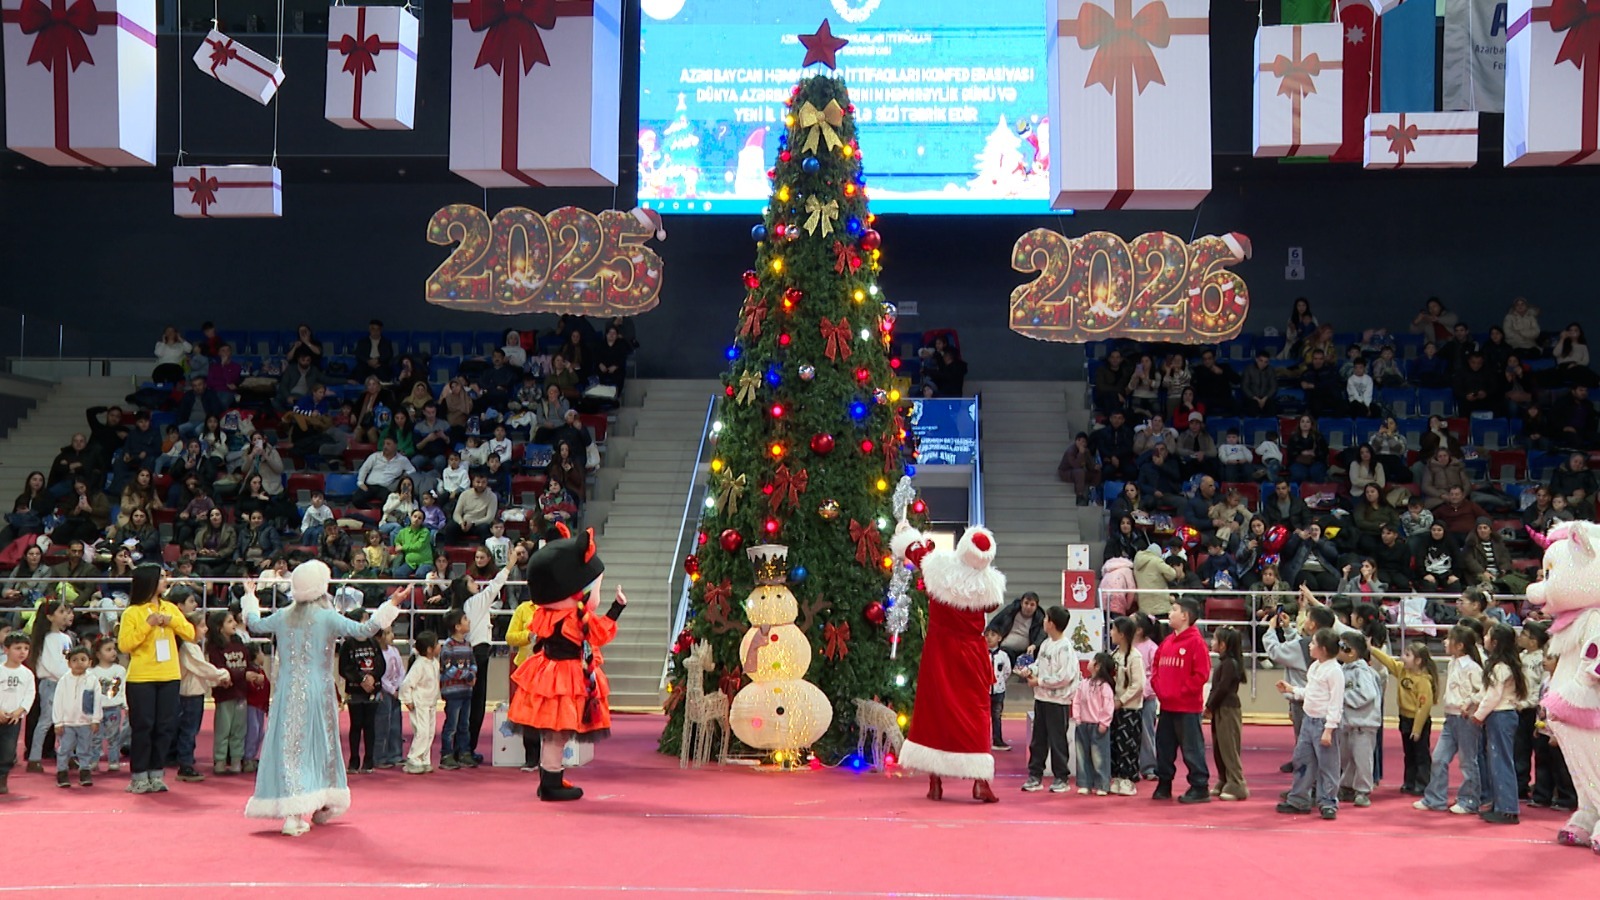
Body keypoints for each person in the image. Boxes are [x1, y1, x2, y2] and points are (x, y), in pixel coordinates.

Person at [240, 560, 402, 835]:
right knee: (319, 744)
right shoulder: (327, 617)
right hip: (318, 691)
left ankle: (304, 808)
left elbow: (254, 623)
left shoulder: (283, 615)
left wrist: (250, 596)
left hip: (287, 691)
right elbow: (365, 630)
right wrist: (391, 604)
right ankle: (310, 807)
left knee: (290, 746)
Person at [506, 528, 628, 801]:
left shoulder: (545, 614)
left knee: (552, 733)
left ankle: (551, 778)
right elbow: (601, 632)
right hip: (564, 676)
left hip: (546, 672)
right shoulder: (572, 617)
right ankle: (551, 782)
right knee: (557, 733)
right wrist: (617, 609)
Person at [888, 524, 1005, 803]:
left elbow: (913, 551)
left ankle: (935, 783)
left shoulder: (938, 568)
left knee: (935, 710)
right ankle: (980, 782)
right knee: (977, 713)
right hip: (973, 653)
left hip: (940, 651)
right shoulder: (989, 585)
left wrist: (909, 533)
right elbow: (991, 606)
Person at [1276, 628, 1345, 819]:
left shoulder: (1335, 671)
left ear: (1322, 649)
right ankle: (1299, 799)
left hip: (1324, 723)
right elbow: (1312, 692)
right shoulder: (1315, 666)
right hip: (1309, 720)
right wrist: (1293, 690)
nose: (1310, 646)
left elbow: (1335, 702)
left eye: (1313, 643)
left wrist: (1329, 729)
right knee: (1302, 760)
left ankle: (1328, 802)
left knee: (1328, 765)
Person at [1416, 625, 1486, 814]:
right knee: (1439, 757)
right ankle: (1435, 798)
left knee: (1468, 761)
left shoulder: (1473, 667)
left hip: (1465, 719)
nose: (1445, 642)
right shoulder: (1452, 663)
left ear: (1460, 645)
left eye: (1449, 639)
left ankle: (1469, 800)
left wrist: (1468, 702)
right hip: (1450, 718)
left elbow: (1484, 690)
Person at [1151, 597, 1211, 803]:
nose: (1170, 613)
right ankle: (1164, 783)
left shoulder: (1196, 643)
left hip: (1187, 707)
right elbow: (1155, 668)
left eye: (1174, 610)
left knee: (1192, 748)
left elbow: (1201, 675)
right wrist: (1159, 689)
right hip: (1167, 706)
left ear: (1185, 616)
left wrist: (1181, 692)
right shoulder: (1167, 642)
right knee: (1164, 747)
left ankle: (1199, 786)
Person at [1471, 623, 1529, 824]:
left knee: (1501, 761)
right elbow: (1487, 693)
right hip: (1500, 715)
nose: (1484, 638)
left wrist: (1478, 715)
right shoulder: (1503, 665)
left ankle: (1508, 808)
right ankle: (1500, 804)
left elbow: (1493, 696)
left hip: (1500, 715)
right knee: (1497, 761)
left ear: (1495, 642)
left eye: (1487, 635)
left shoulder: (1500, 667)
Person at [1019, 605, 1078, 794]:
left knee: (1058, 739)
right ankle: (1035, 774)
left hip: (1058, 701)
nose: (1043, 622)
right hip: (1042, 699)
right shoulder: (1045, 643)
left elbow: (1065, 677)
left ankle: (1061, 777)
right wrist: (1030, 671)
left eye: (1046, 619)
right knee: (1039, 739)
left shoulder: (1065, 648)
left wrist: (1040, 681)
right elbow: (1039, 664)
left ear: (1051, 623)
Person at [1371, 640, 1438, 796]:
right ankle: (1409, 781)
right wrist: (1372, 649)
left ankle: (1422, 783)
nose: (1402, 657)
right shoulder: (1402, 671)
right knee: (1408, 754)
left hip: (1418, 721)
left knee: (1421, 754)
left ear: (1418, 661)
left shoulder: (1423, 681)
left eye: (1407, 655)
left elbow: (1424, 707)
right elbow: (1388, 661)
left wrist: (1417, 729)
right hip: (1405, 718)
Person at [174, 612, 228, 782]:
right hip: (189, 695)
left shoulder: (192, 647)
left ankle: (186, 759)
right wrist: (222, 675)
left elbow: (201, 673)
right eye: (202, 625)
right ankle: (185, 764)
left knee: (190, 730)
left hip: (194, 694)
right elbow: (202, 668)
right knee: (188, 730)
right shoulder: (188, 647)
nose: (206, 629)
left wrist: (217, 680)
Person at [26, 600, 72, 773]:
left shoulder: (66, 638)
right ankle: (34, 757)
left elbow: (68, 660)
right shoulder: (46, 639)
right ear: (50, 617)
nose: (66, 615)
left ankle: (67, 754)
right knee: (46, 720)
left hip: (66, 682)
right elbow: (52, 665)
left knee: (68, 721)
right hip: (52, 683)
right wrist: (69, 677)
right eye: (61, 612)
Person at [338, 609, 384, 775]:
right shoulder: (348, 645)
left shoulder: (373, 643)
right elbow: (344, 668)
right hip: (355, 691)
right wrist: (361, 680)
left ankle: (369, 759)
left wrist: (372, 677)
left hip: (373, 690)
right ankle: (354, 759)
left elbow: (380, 664)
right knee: (356, 725)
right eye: (366, 619)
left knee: (370, 725)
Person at [205, 610, 250, 776]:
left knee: (239, 729)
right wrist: (241, 675)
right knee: (223, 729)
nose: (234, 624)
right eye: (230, 621)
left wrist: (251, 674)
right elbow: (219, 670)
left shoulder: (239, 644)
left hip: (241, 693)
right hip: (225, 694)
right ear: (219, 628)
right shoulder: (215, 648)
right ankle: (220, 760)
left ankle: (237, 760)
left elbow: (247, 664)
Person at [1206, 625, 1247, 801]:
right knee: (1219, 746)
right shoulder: (1225, 663)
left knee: (1229, 747)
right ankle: (1224, 779)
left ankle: (1237, 783)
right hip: (1220, 708)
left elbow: (1222, 688)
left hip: (1228, 709)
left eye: (1215, 639)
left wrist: (1209, 705)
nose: (1212, 642)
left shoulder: (1230, 664)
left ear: (1222, 645)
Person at [1107, 617, 1145, 796]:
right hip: (1114, 708)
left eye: (1113, 630)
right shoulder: (1114, 655)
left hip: (1130, 710)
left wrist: (1121, 701)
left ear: (1121, 634)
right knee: (1114, 743)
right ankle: (1116, 776)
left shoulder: (1135, 657)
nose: (1111, 633)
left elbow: (1138, 685)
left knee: (1128, 744)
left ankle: (1128, 778)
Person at [1073, 652, 1116, 796]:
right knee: (1082, 755)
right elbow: (1077, 701)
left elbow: (1108, 706)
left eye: (1092, 660)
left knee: (1099, 756)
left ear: (1097, 666)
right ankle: (1085, 783)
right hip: (1083, 724)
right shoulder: (1083, 683)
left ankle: (1102, 784)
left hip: (1098, 726)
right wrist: (1077, 718)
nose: (1089, 663)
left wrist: (1104, 722)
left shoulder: (1104, 687)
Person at [1515, 622, 1549, 802]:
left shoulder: (1541, 659)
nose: (1520, 637)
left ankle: (1542, 790)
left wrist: (1529, 703)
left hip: (1533, 710)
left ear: (1534, 641)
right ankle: (1520, 786)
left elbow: (1540, 687)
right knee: (1520, 750)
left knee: (1539, 751)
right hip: (1519, 708)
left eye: (1524, 635)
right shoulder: (1520, 657)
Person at [400, 630, 441, 775]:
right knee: (422, 732)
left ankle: (424, 759)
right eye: (436, 644)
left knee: (430, 732)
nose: (439, 646)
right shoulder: (419, 664)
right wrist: (407, 700)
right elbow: (406, 684)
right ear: (429, 649)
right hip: (420, 703)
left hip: (431, 702)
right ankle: (413, 758)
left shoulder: (434, 662)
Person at [0, 632, 36, 795]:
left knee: (8, 751)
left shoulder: (27, 674)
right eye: (17, 648)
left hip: (14, 719)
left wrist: (20, 710)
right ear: (6, 649)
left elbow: (30, 694)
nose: (22, 652)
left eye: (26, 648)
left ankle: (2, 777)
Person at [90, 637, 128, 773]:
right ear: (98, 654)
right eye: (108, 650)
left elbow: (123, 689)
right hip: (96, 709)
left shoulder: (120, 670)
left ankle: (113, 761)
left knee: (114, 736)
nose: (113, 652)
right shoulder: (92, 672)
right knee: (95, 737)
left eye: (114, 649)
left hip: (114, 707)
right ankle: (93, 760)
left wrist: (126, 706)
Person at [1132, 613, 1161, 782]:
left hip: (1146, 698)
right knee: (1129, 733)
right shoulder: (1126, 645)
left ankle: (1149, 766)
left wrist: (1143, 693)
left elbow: (1154, 675)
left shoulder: (1152, 648)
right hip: (1129, 698)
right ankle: (1130, 766)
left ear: (1139, 629)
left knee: (1146, 733)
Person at [374, 628, 404, 770]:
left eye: (392, 631)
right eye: (388, 633)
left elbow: (400, 671)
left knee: (395, 725)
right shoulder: (376, 654)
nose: (392, 635)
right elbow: (380, 676)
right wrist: (392, 690)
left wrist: (399, 687)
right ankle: (379, 757)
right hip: (383, 692)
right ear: (379, 637)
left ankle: (396, 754)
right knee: (382, 726)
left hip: (395, 691)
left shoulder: (394, 651)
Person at [986, 592, 1043, 665]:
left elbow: (1042, 635)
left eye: (1032, 605)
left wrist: (1034, 645)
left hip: (1025, 653)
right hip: (1005, 649)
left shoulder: (1039, 618)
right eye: (1026, 603)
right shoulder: (1011, 610)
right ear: (1021, 603)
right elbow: (995, 622)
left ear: (1036, 607)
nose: (1028, 607)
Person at [1056, 432, 1100, 506]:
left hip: (1078, 472)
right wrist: (1080, 453)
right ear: (1077, 441)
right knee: (1079, 472)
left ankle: (1093, 491)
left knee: (1096, 472)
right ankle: (1079, 496)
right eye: (1082, 441)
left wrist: (1095, 466)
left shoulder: (1086, 451)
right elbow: (1075, 465)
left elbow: (1090, 465)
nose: (1084, 444)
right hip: (1066, 472)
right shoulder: (1070, 451)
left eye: (1085, 442)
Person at [984, 628, 1010, 752]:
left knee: (996, 716)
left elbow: (1007, 671)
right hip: (984, 691)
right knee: (983, 717)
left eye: (993, 635)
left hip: (998, 690)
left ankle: (997, 740)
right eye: (986, 635)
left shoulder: (1003, 656)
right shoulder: (982, 654)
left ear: (999, 638)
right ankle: (982, 741)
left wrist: (1000, 682)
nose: (989, 638)